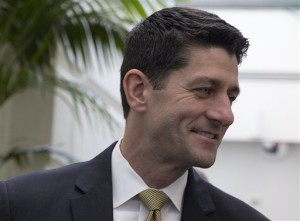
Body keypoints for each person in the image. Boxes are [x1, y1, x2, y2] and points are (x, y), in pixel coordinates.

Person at [0, 7, 270, 221]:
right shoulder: (20, 206)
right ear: (139, 90)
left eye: (231, 98)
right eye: (204, 90)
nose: (226, 115)